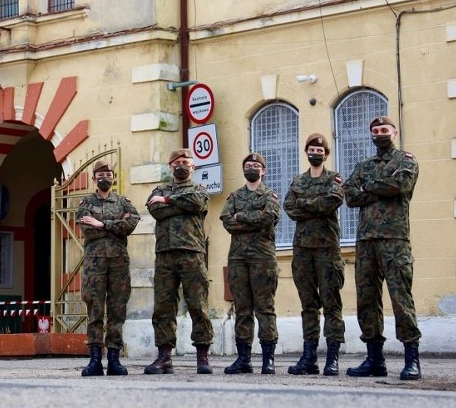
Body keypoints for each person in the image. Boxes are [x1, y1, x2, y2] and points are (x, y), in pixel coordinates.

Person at [344, 116, 421, 380]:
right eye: (375, 131)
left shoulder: (405, 160)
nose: (379, 134)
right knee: (367, 300)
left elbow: (401, 184)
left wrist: (368, 187)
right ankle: (374, 358)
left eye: (384, 130)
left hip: (394, 239)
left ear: (394, 132)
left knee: (401, 298)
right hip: (366, 241)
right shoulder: (364, 165)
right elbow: (351, 195)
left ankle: (412, 359)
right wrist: (379, 187)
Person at [143, 148, 214, 375]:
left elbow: (197, 203)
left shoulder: (199, 189)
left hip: (192, 252)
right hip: (164, 254)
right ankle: (164, 357)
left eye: (186, 162)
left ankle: (202, 356)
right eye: (177, 162)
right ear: (170, 166)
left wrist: (167, 201)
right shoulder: (158, 189)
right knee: (163, 307)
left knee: (197, 304)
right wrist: (175, 204)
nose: (181, 165)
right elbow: (155, 210)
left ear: (193, 168)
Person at [283, 133, 345, 376]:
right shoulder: (298, 181)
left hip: (327, 249)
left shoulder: (335, 178)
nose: (315, 152)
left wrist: (305, 204)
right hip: (302, 251)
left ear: (326, 154)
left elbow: (332, 202)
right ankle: (309, 358)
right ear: (306, 152)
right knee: (308, 305)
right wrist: (314, 205)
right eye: (311, 149)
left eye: (319, 150)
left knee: (331, 304)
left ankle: (332, 358)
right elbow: (289, 208)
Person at [76, 159, 140, 376]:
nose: (105, 178)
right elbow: (87, 229)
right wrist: (116, 224)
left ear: (113, 178)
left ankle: (114, 359)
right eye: (101, 175)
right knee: (95, 309)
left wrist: (102, 223)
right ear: (94, 178)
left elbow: (131, 224)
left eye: (109, 175)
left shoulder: (124, 202)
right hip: (95, 264)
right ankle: (95, 360)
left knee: (117, 310)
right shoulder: (85, 204)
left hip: (119, 263)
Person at [220, 152, 280, 375]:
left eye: (256, 165)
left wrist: (241, 217)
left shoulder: (269, 196)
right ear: (243, 169)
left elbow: (269, 219)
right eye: (248, 165)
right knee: (242, 308)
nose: (252, 168)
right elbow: (227, 221)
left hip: (263, 257)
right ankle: (243, 358)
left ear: (263, 171)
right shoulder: (234, 196)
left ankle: (268, 359)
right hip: (237, 258)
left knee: (265, 308)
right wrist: (251, 218)